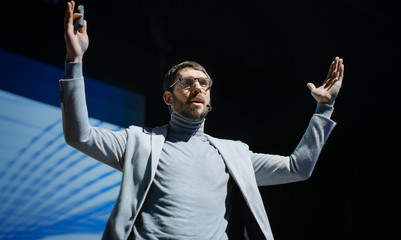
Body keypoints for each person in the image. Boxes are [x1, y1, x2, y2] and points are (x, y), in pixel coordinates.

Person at [61, 1, 344, 239]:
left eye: (204, 83)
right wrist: (75, 60)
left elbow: (299, 167)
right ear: (168, 98)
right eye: (187, 82)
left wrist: (324, 108)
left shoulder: (234, 154)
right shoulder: (138, 141)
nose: (197, 88)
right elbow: (79, 136)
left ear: (210, 96)